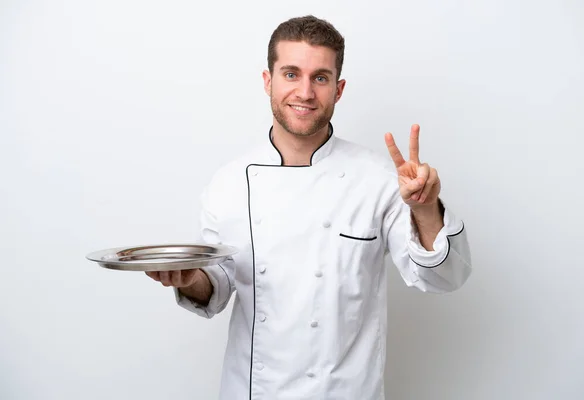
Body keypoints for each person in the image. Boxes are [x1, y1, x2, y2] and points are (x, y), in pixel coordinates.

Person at [146, 15, 472, 400]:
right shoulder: (229, 182)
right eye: (290, 74)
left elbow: (444, 278)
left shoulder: (378, 179)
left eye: (320, 77)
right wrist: (189, 279)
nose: (305, 92)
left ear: (339, 88)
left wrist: (425, 207)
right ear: (268, 81)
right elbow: (215, 287)